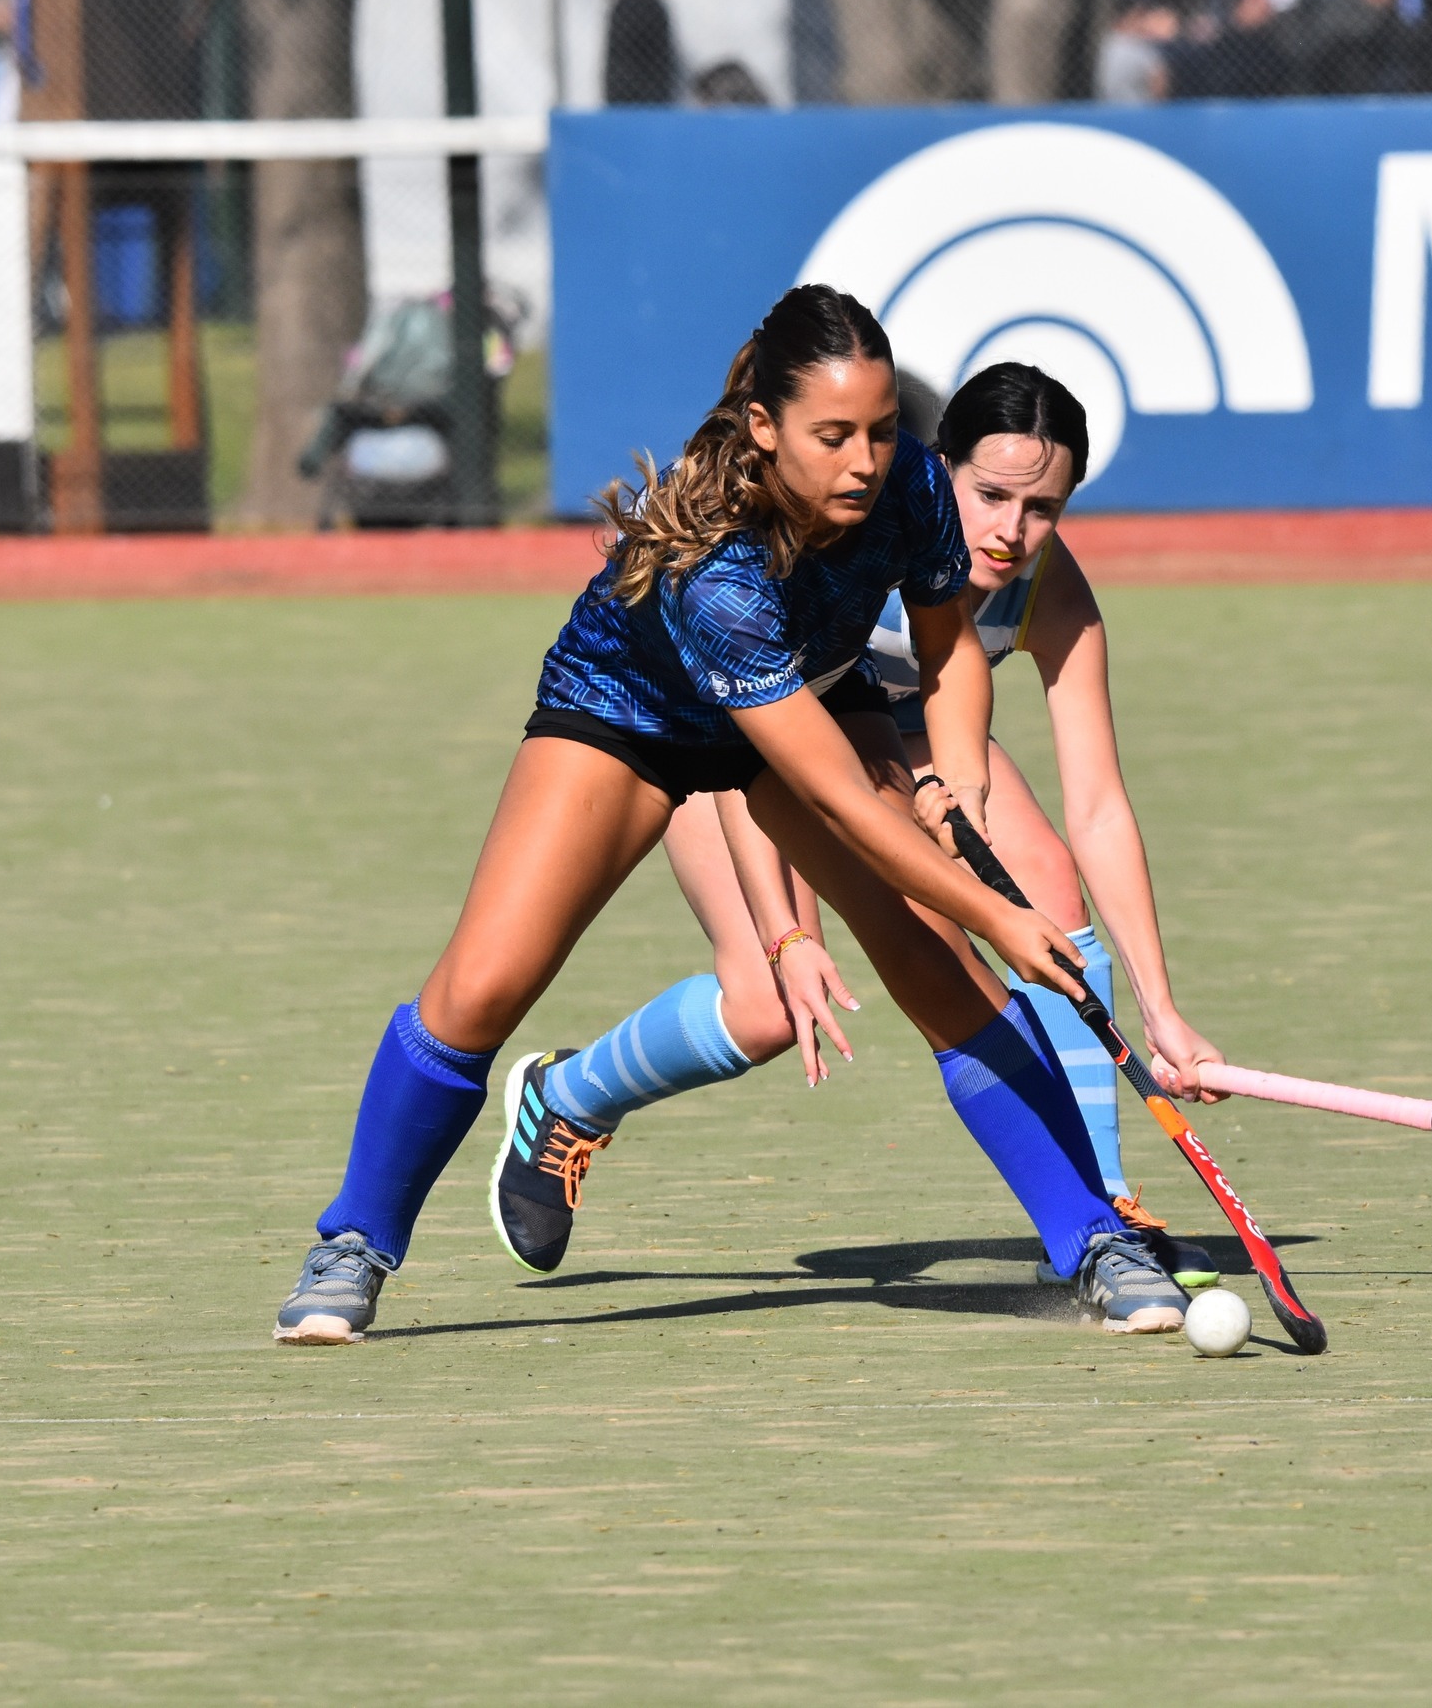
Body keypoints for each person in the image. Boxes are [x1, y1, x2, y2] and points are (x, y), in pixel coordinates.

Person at [274, 285, 1191, 1345]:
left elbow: (946, 645)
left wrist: (957, 790)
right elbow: (833, 795)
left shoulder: (909, 484)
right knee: (481, 989)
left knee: (938, 966)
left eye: (880, 430)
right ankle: (354, 1240)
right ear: (765, 426)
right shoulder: (717, 566)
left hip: (817, 685)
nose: (865, 461)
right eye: (833, 436)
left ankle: (1094, 1237)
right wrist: (995, 910)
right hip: (630, 712)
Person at [496, 363, 1225, 1288]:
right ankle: (568, 1096)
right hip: (721, 734)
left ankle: (1101, 1209)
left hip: (898, 737)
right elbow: (746, 740)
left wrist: (1161, 1010)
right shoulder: (857, 536)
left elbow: (1098, 805)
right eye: (990, 496)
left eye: (1043, 507)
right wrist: (787, 932)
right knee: (766, 1005)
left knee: (1044, 877)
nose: (1011, 531)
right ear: (936, 469)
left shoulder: (1050, 591)